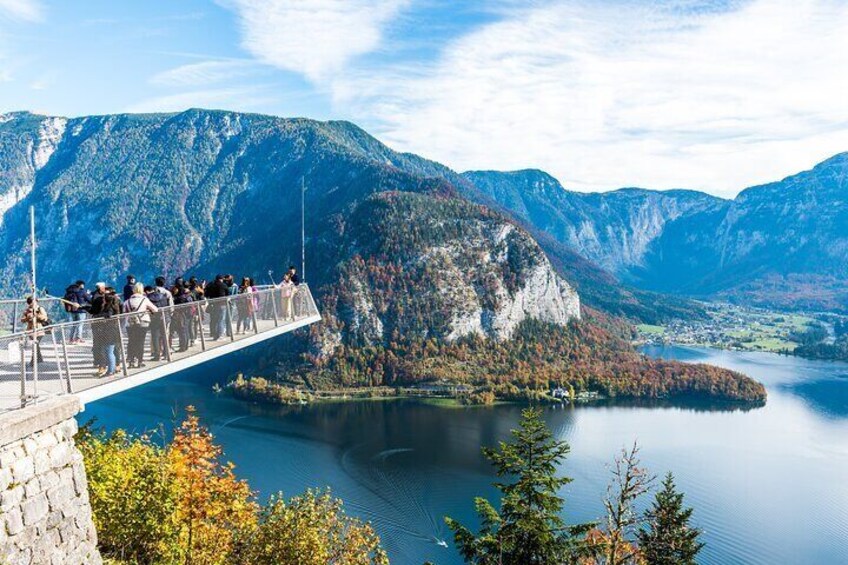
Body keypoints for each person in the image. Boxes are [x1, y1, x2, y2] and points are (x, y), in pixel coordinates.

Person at [123, 282, 158, 368]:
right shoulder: (144, 299)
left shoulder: (127, 301)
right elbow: (155, 309)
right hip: (142, 322)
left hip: (130, 323)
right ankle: (139, 362)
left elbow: (124, 312)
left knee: (131, 342)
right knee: (140, 342)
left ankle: (131, 361)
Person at [92, 287, 121, 377]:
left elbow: (107, 314)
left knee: (109, 351)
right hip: (111, 330)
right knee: (110, 350)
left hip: (108, 331)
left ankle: (110, 370)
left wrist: (97, 316)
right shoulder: (115, 305)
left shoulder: (109, 307)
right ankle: (112, 368)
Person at [21, 296, 49, 366]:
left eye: (34, 302)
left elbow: (45, 318)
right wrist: (28, 317)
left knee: (35, 345)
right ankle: (39, 359)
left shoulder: (40, 309)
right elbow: (22, 319)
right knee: (36, 345)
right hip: (30, 331)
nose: (32, 303)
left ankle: (33, 361)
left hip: (39, 330)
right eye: (30, 302)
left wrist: (35, 315)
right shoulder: (27, 310)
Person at [146, 285, 170, 361]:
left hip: (154, 319)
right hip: (164, 317)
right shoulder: (163, 296)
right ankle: (166, 353)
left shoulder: (148, 298)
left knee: (155, 337)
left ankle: (157, 355)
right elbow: (167, 305)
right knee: (164, 336)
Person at [204, 274, 229, 340]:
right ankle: (219, 335)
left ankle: (213, 334)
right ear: (221, 279)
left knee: (214, 320)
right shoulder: (223, 285)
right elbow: (227, 294)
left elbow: (206, 294)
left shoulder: (211, 285)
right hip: (222, 304)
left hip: (213, 304)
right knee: (221, 320)